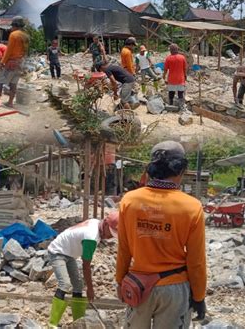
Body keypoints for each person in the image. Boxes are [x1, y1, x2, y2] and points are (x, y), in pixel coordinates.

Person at [116, 141, 207, 328]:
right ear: (181, 169)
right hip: (174, 290)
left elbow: (124, 248)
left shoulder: (130, 200)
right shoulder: (191, 207)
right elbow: (196, 260)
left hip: (137, 285)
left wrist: (120, 281)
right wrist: (199, 296)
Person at [48, 212, 119, 328]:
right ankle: (52, 324)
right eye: (110, 233)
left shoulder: (96, 223)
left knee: (78, 285)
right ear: (105, 224)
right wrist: (90, 289)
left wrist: (87, 287)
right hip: (57, 251)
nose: (109, 237)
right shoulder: (91, 237)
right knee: (65, 284)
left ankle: (78, 322)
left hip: (69, 253)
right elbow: (86, 266)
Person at [0, 16, 29, 107]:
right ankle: (10, 102)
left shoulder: (14, 34)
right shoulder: (26, 36)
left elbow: (8, 51)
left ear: (15, 25)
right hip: (20, 62)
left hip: (11, 62)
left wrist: (1, 63)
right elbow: (26, 51)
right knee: (13, 83)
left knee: (0, 82)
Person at [163, 43, 187, 110]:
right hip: (180, 79)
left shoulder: (168, 58)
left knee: (171, 92)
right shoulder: (182, 57)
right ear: (177, 49)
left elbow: (165, 69)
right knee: (180, 93)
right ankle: (181, 106)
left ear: (171, 50)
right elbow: (184, 68)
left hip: (171, 79)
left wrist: (163, 76)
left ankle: (170, 105)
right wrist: (185, 76)